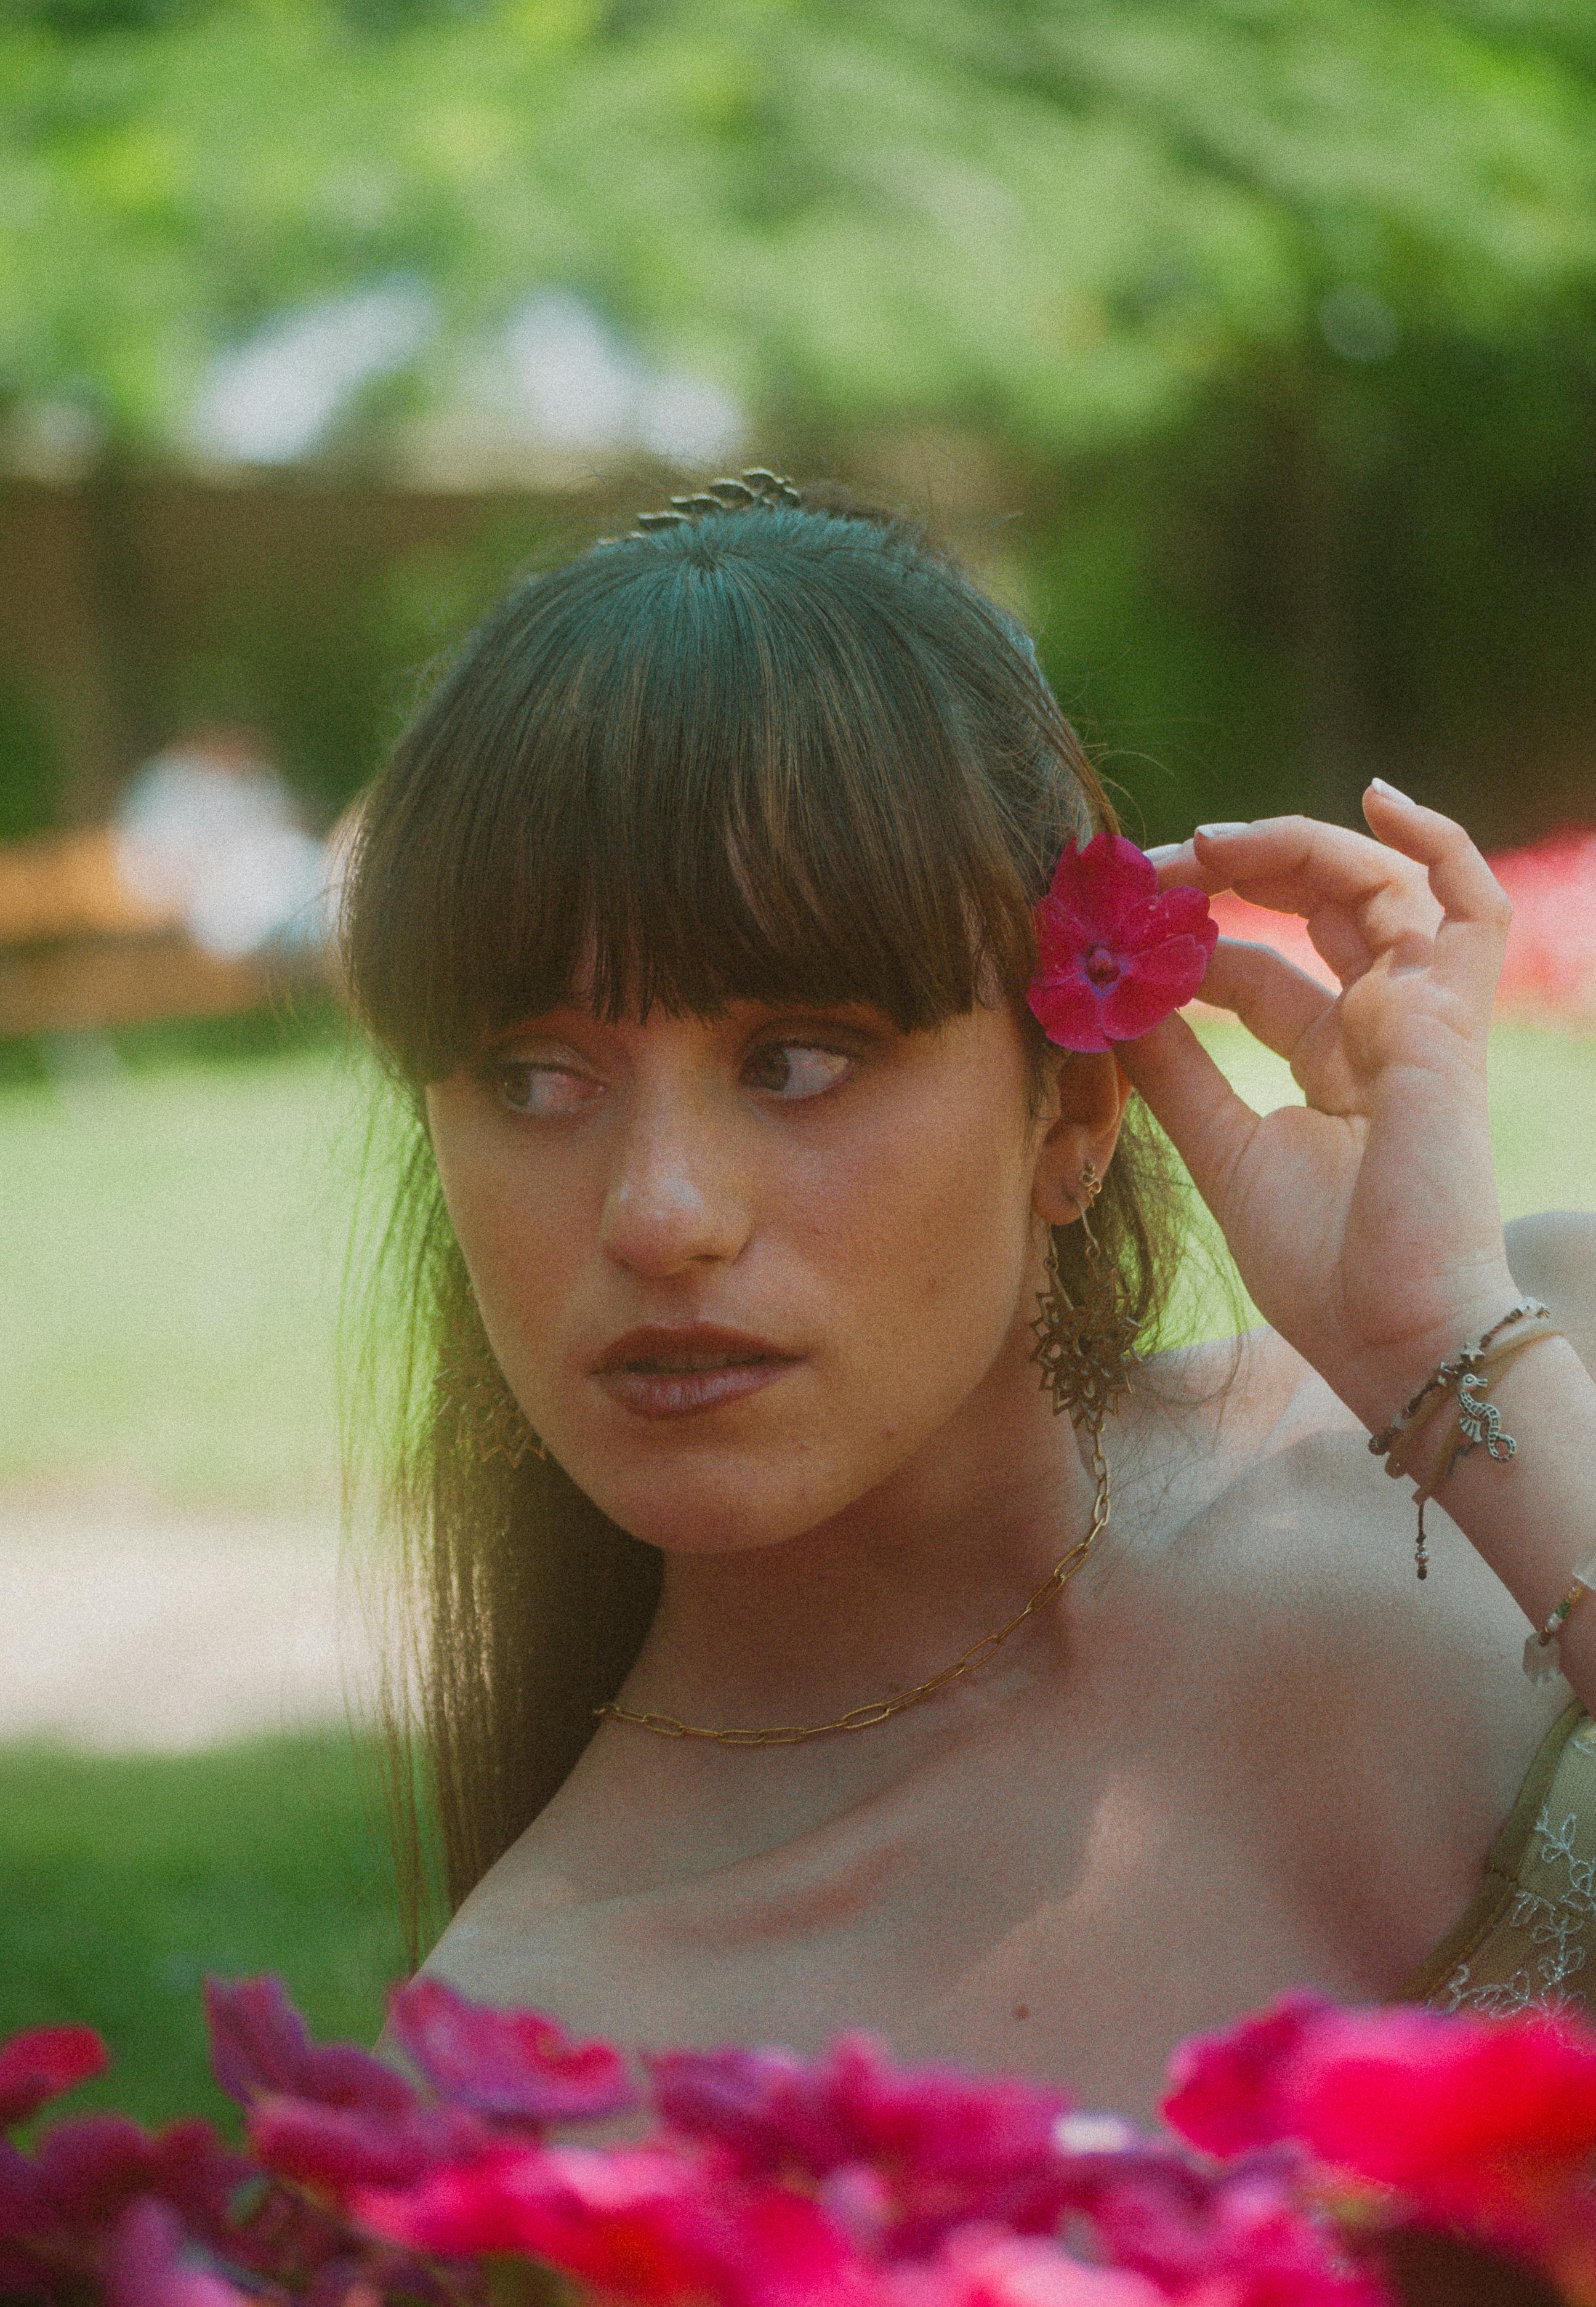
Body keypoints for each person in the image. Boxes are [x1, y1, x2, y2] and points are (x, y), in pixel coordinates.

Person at [341, 472, 1596, 2122]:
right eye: (532, 1076)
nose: (658, 1218)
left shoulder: (1557, 1345)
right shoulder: (541, 2064)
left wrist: (1443, 1351)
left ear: (1070, 1113)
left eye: (794, 1059)